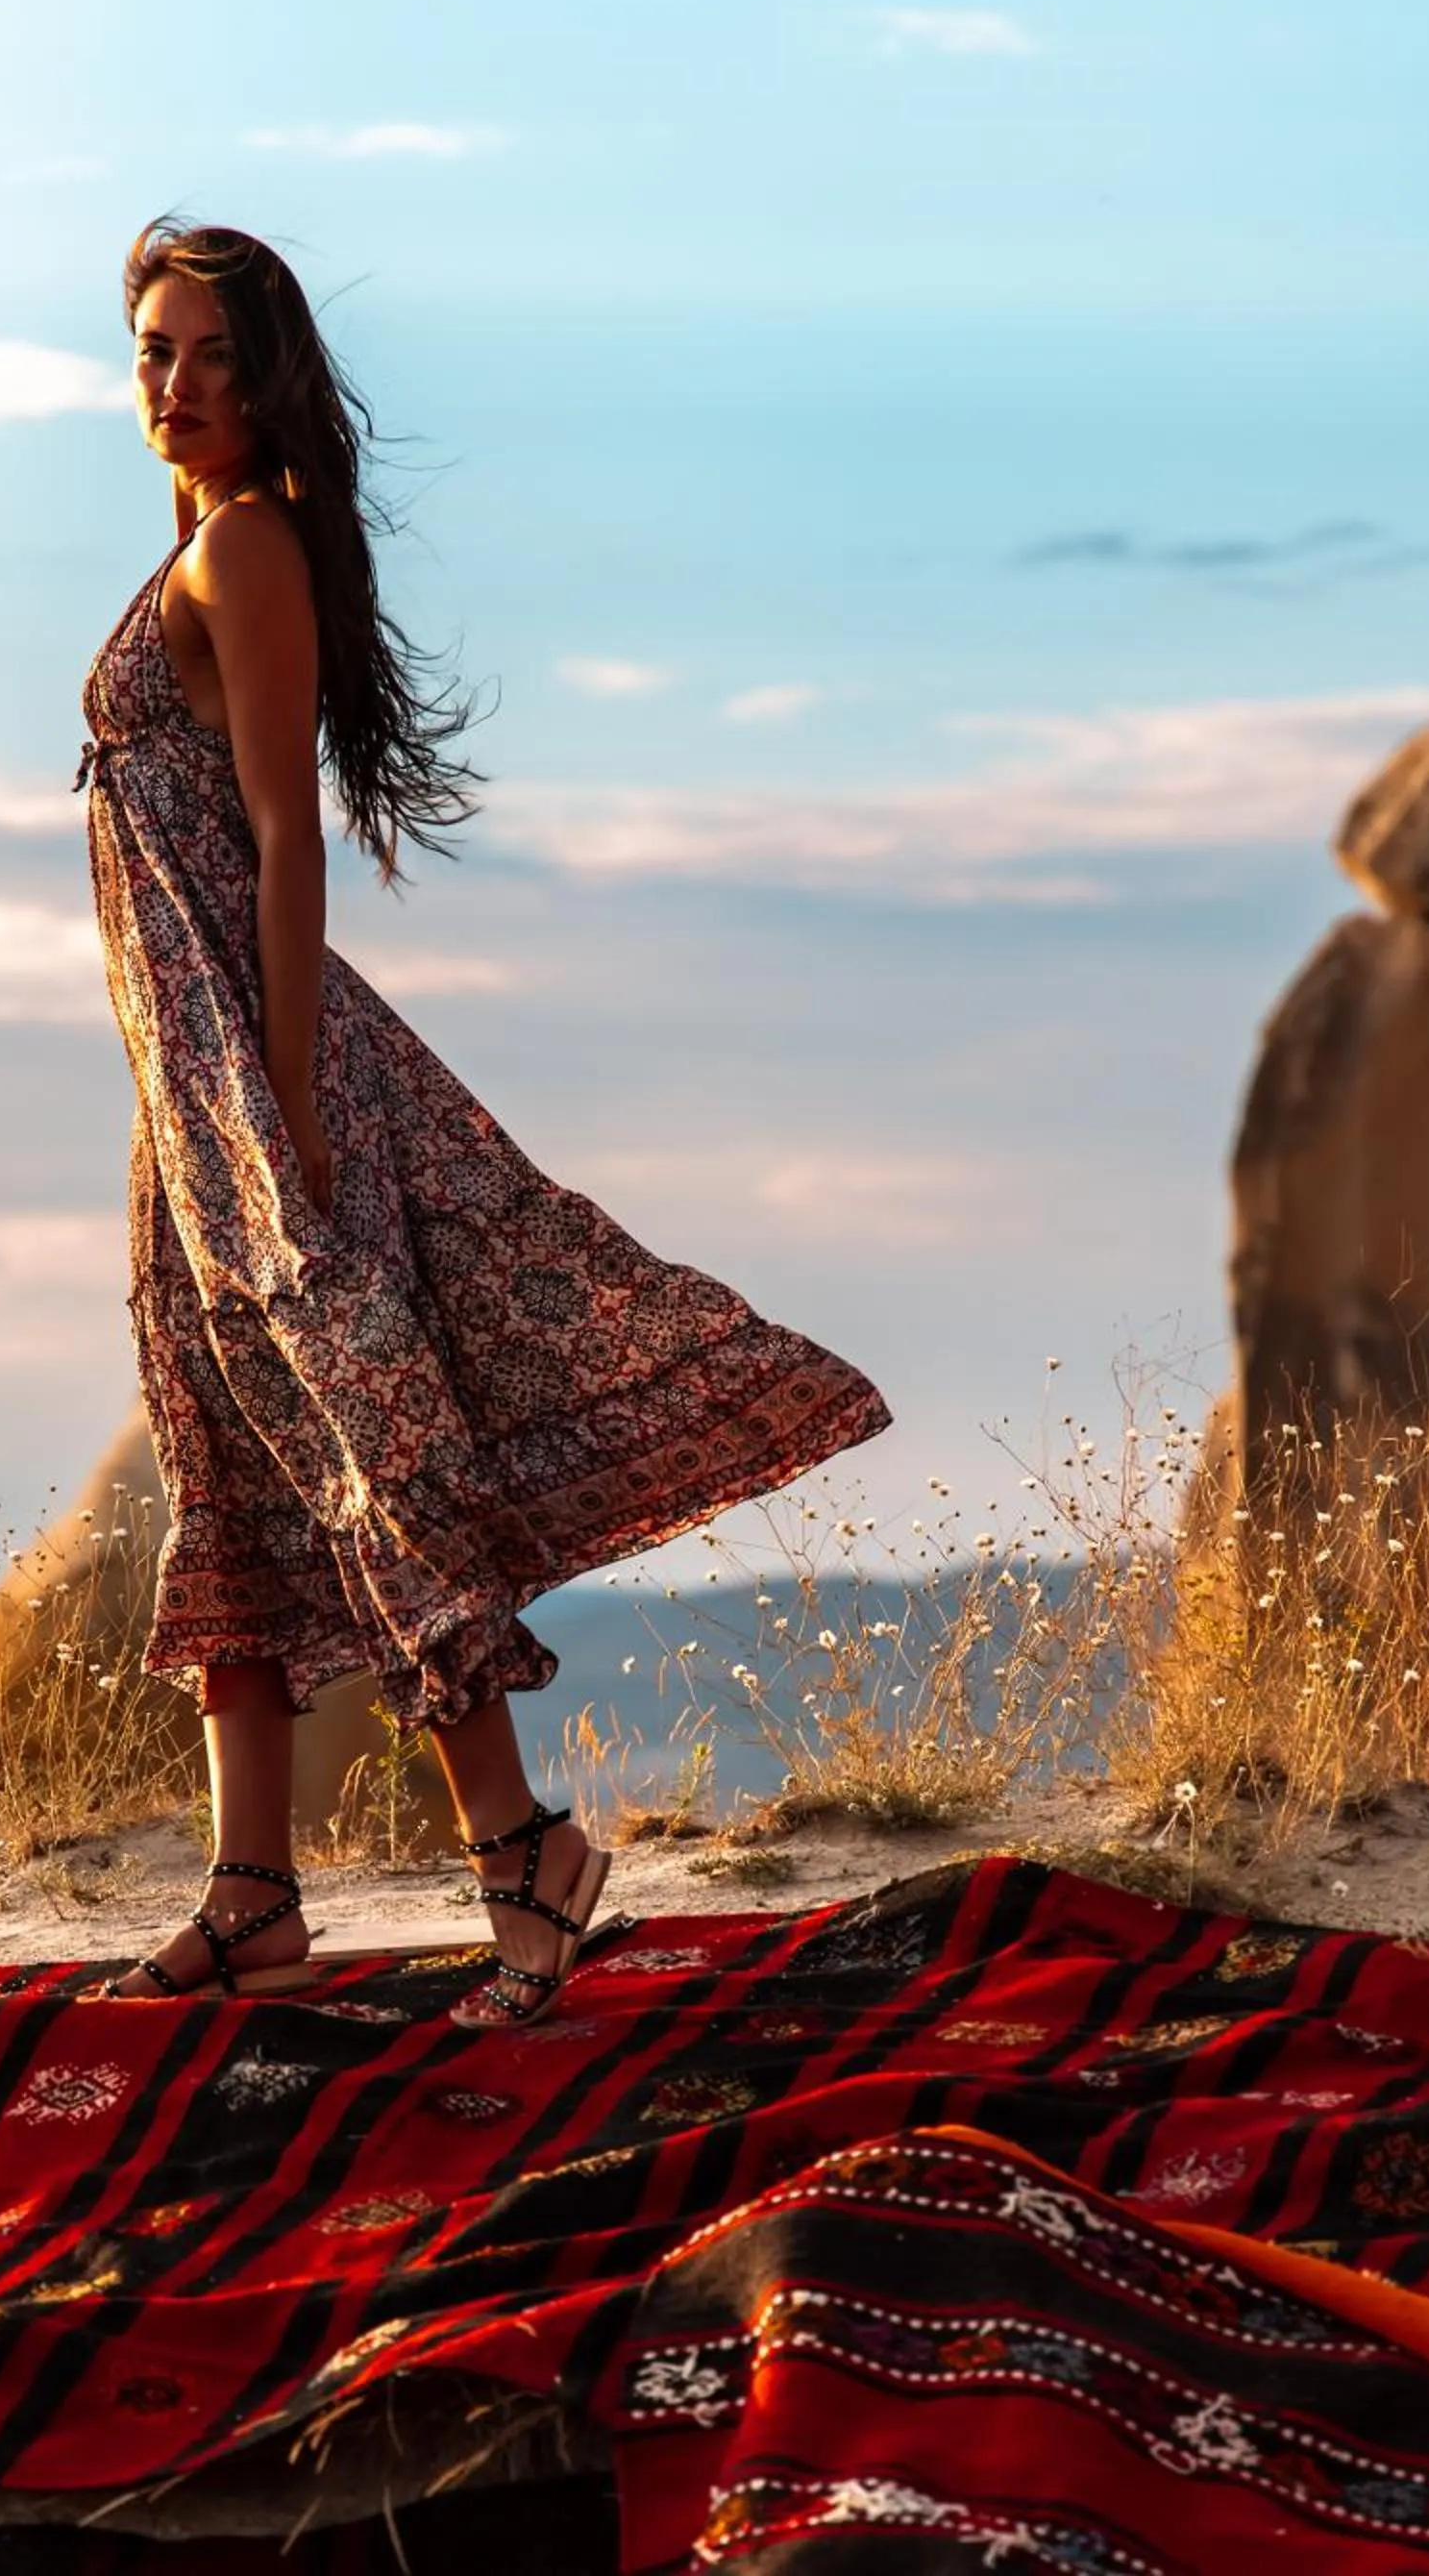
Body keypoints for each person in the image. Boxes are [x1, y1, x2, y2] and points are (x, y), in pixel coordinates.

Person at [75, 219, 890, 2025]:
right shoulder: (201, 551)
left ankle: (522, 1847)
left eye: (212, 355)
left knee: (368, 1452)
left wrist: (287, 1105)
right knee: (233, 1469)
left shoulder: (247, 546)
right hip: (187, 1092)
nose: (177, 385)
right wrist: (199, 1107)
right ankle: (252, 1895)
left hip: (258, 1087)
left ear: (270, 380)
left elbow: (283, 839)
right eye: (153, 351)